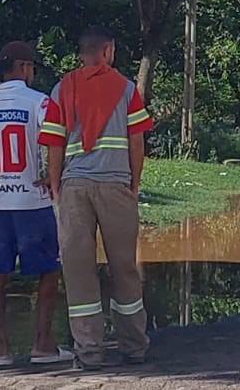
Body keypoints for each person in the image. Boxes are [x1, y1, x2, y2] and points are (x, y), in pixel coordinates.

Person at [40, 26, 154, 370]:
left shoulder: (62, 89)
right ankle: (134, 347)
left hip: (75, 188)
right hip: (116, 186)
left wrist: (58, 187)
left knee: (78, 271)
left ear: (81, 53)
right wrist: (134, 184)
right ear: (108, 51)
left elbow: (54, 143)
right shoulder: (126, 89)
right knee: (124, 268)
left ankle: (89, 352)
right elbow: (137, 142)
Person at [0, 41, 71, 367]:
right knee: (47, 269)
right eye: (31, 67)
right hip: (32, 201)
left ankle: (1, 349)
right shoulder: (41, 102)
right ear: (24, 67)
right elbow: (57, 140)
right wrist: (53, 177)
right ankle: (42, 344)